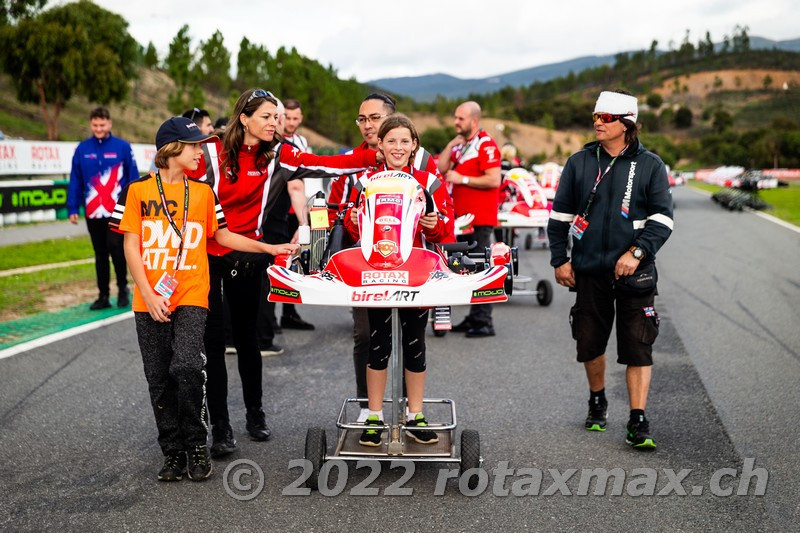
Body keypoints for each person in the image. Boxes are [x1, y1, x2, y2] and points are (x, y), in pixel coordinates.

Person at [110, 116, 298, 482]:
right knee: (158, 378)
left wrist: (269, 247)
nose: (201, 151)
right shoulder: (136, 191)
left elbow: (223, 237)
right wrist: (148, 294)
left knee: (188, 367)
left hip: (193, 293)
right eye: (195, 145)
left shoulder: (203, 193)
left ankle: (197, 443)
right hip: (148, 299)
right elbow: (129, 244)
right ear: (173, 149)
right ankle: (173, 451)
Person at [203, 88, 380, 459]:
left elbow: (327, 163)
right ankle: (220, 426)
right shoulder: (210, 152)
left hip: (250, 256)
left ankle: (255, 414)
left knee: (249, 339)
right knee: (214, 343)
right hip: (206, 257)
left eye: (277, 117)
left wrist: (372, 154)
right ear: (245, 118)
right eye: (267, 116)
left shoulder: (280, 154)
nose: (274, 123)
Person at [546, 90, 673, 450]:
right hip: (588, 270)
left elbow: (663, 220)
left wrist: (636, 252)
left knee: (638, 346)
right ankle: (597, 399)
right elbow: (559, 219)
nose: (597, 123)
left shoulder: (650, 165)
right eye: (595, 117)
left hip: (636, 273)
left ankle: (637, 419)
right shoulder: (579, 162)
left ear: (626, 124)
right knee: (589, 343)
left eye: (605, 118)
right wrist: (560, 258)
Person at [328, 93, 442, 422]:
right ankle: (372, 413)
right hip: (374, 270)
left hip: (417, 270)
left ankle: (414, 414)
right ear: (381, 144)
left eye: (404, 141)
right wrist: (349, 223)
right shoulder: (361, 177)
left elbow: (443, 225)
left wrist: (433, 227)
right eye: (390, 141)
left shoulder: (427, 177)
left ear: (414, 143)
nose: (397, 147)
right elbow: (345, 220)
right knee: (373, 340)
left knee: (414, 341)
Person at [437, 101, 502, 338]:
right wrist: (450, 144)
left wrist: (463, 179)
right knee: (466, 269)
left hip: (480, 219)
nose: (456, 122)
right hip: (461, 219)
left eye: (460, 118)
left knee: (482, 268)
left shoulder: (486, 144)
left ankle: (484, 321)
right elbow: (442, 168)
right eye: (455, 117)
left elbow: (494, 179)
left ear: (474, 121)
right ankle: (474, 317)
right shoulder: (464, 145)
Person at [68, 106, 139, 310]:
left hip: (117, 210)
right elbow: (75, 179)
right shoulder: (82, 149)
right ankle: (103, 295)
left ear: (109, 124)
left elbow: (133, 179)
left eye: (102, 124)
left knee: (117, 249)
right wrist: (73, 207)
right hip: (93, 211)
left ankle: (123, 289)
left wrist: (134, 206)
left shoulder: (123, 147)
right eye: (95, 124)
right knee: (100, 254)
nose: (98, 128)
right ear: (91, 124)